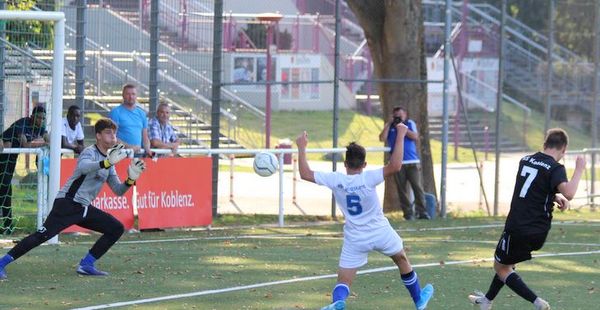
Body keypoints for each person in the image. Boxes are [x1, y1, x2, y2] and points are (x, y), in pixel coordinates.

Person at [296, 124, 434, 310]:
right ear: (364, 164)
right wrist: (400, 134)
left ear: (345, 164)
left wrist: (301, 147)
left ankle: (338, 303)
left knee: (344, 280)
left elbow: (305, 174)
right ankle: (418, 299)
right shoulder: (369, 178)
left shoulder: (336, 179)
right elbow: (395, 166)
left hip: (355, 238)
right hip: (380, 232)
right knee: (401, 259)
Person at [0, 118, 146, 280]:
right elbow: (84, 167)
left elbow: (118, 190)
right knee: (41, 236)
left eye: (114, 133)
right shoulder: (90, 152)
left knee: (116, 228)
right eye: (108, 132)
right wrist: (106, 162)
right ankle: (1, 263)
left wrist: (131, 179)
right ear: (98, 136)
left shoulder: (110, 161)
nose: (113, 136)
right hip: (67, 204)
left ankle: (86, 265)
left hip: (83, 208)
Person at [468, 128, 585, 310]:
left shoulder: (526, 161)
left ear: (544, 144)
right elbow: (544, 189)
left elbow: (567, 193)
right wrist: (555, 196)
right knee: (507, 263)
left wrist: (579, 169)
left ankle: (537, 303)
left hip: (518, 225)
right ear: (564, 149)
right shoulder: (555, 167)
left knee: (501, 267)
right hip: (539, 230)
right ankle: (487, 301)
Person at [0, 106, 48, 235]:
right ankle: (8, 226)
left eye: (43, 118)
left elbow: (49, 139)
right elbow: (25, 144)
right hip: (2, 159)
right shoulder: (22, 123)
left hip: (10, 161)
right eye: (38, 117)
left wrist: (48, 140)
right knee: (5, 191)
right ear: (32, 117)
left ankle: (7, 226)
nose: (41, 120)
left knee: (5, 192)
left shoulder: (41, 128)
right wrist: (43, 143)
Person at [379, 106, 429, 220]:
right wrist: (389, 124)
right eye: (396, 116)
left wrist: (402, 128)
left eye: (400, 116)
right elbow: (382, 138)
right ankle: (408, 213)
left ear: (405, 115)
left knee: (417, 187)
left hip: (412, 161)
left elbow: (415, 137)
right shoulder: (390, 126)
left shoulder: (409, 123)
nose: (398, 118)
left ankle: (422, 212)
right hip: (398, 163)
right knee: (401, 190)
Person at [109, 84, 153, 157]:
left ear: (136, 96)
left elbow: (145, 137)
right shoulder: (116, 112)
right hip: (120, 155)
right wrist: (129, 147)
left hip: (138, 156)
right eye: (128, 94)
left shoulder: (142, 113)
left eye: (133, 94)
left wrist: (148, 149)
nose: (131, 97)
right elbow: (112, 136)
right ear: (123, 95)